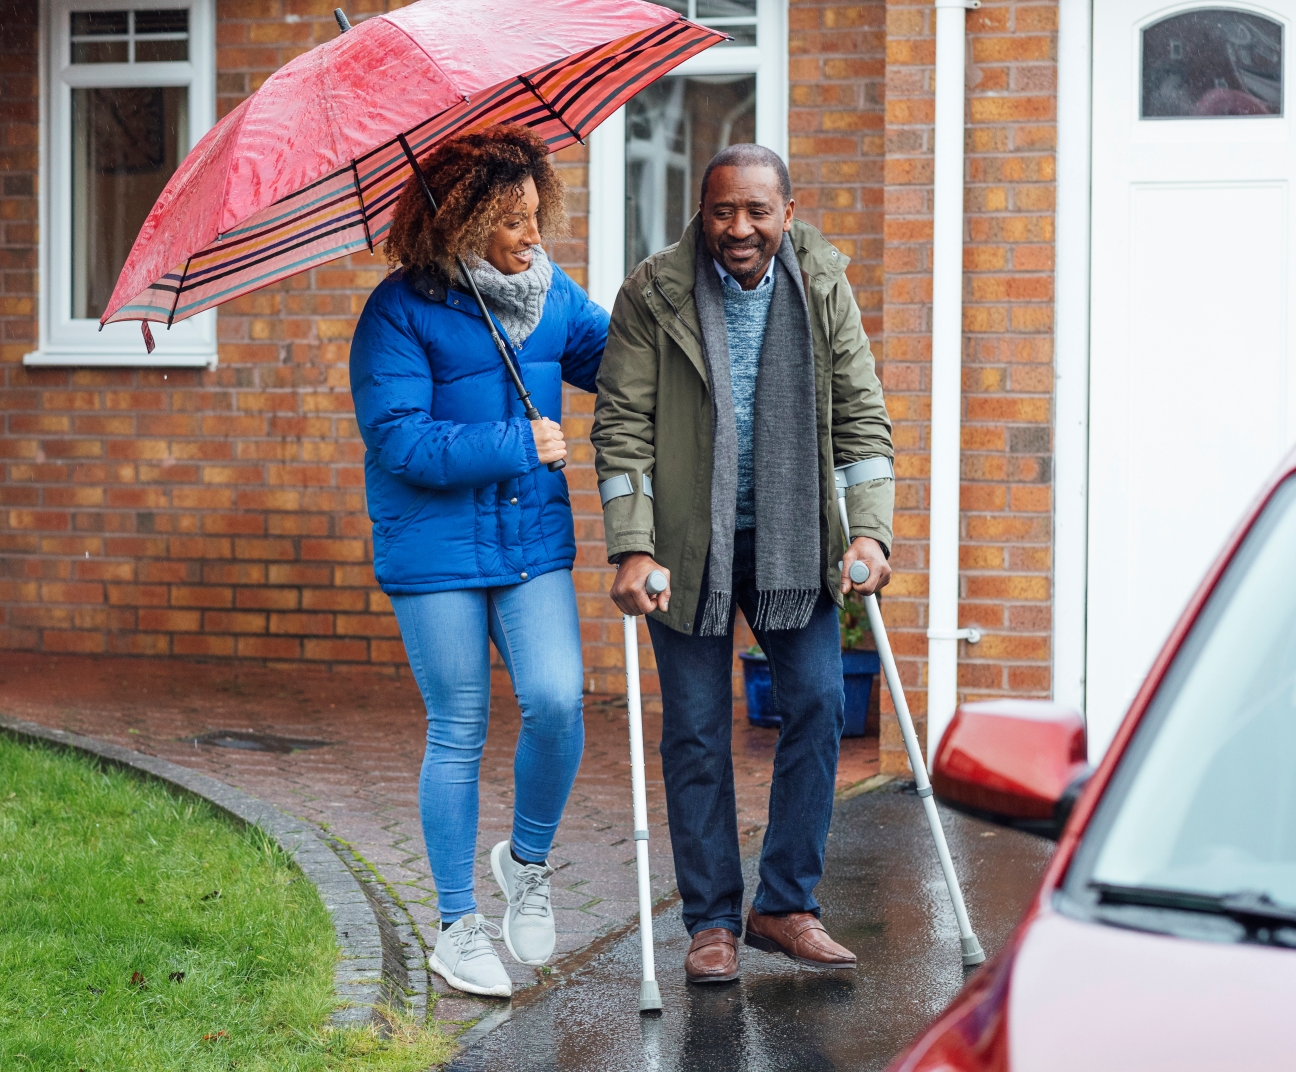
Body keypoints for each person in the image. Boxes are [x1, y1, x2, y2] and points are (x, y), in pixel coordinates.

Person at [592, 143, 894, 983]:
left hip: (793, 536)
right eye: (723, 210)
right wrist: (633, 544)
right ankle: (712, 922)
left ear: (786, 215)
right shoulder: (653, 292)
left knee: (820, 704)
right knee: (694, 730)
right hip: (688, 541)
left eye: (758, 211)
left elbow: (862, 417)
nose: (739, 228)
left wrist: (868, 534)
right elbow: (622, 426)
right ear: (702, 210)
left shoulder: (824, 283)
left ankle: (786, 904)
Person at [348, 125, 607, 998]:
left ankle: (525, 863)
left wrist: (679, 318)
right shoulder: (397, 312)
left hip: (529, 539)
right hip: (436, 550)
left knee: (558, 700)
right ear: (456, 224)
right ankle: (456, 926)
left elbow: (619, 361)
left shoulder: (548, 293)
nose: (531, 237)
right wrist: (517, 440)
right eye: (509, 224)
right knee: (459, 725)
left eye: (535, 215)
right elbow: (401, 442)